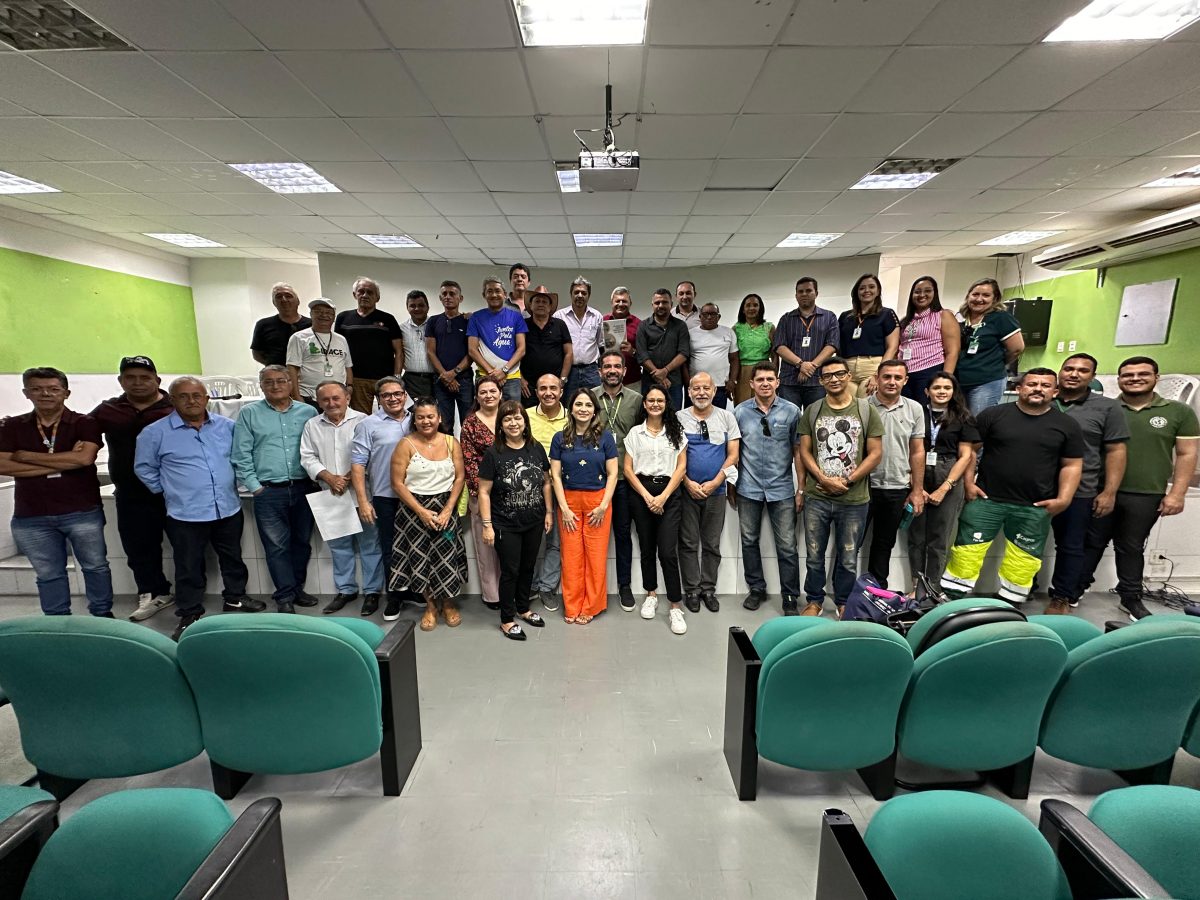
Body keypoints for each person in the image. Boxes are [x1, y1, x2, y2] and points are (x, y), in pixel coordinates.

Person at [135, 377, 264, 641]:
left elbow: (241, 457)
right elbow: (144, 468)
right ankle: (190, 611)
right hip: (185, 513)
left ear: (206, 398)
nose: (191, 401)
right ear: (172, 399)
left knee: (233, 558)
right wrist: (169, 490)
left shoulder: (228, 427)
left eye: (197, 395)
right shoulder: (154, 433)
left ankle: (235, 598)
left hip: (227, 508)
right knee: (188, 565)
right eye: (183, 396)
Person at [941, 368, 1084, 605]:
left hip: (1035, 506)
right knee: (966, 551)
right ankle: (951, 601)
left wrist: (1064, 499)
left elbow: (1072, 465)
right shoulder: (993, 415)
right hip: (985, 500)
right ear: (1019, 388)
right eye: (1032, 384)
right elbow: (970, 451)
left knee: (1023, 560)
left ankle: (1011, 605)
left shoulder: (1067, 425)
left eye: (1045, 385)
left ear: (1055, 391)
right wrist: (968, 483)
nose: (1038, 388)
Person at [1076, 356, 1198, 620]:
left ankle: (1131, 598)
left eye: (1142, 374)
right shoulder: (1104, 408)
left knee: (1130, 546)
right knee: (1091, 541)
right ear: (1119, 379)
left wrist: (1177, 494)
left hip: (1146, 492)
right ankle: (1075, 589)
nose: (1134, 379)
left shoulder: (1178, 412)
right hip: (1100, 489)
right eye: (1127, 375)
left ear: (1157, 377)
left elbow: (1187, 454)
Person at [0, 367, 113, 618]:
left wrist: (26, 457)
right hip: (31, 515)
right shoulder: (11, 426)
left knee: (95, 567)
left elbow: (84, 459)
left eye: (53, 389)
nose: (46, 394)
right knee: (48, 573)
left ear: (66, 393)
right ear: (26, 393)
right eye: (37, 389)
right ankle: (57, 621)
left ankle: (102, 616)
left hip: (81, 511)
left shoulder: (85, 423)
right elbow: (3, 465)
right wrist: (64, 460)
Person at [1042, 354, 1129, 616]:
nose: (1074, 374)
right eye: (1068, 368)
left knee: (1071, 545)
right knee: (1026, 542)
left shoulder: (1106, 408)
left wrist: (1109, 491)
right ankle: (1023, 587)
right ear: (1060, 372)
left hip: (1081, 489)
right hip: (1036, 486)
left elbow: (1116, 450)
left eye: (1083, 370)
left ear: (1093, 377)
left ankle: (1062, 596)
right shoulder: (1043, 400)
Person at [798, 357, 885, 616]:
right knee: (814, 554)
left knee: (848, 557)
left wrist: (846, 480)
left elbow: (875, 453)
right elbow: (804, 451)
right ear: (821, 380)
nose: (834, 379)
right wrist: (823, 479)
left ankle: (843, 601)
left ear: (848, 376)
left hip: (855, 499)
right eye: (828, 376)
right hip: (817, 497)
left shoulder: (867, 410)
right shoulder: (812, 411)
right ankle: (814, 600)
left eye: (839, 374)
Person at [90, 355, 174, 621]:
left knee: (188, 547)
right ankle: (152, 592)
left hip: (176, 491)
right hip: (131, 493)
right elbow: (79, 432)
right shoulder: (108, 410)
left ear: (157, 381)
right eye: (130, 377)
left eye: (145, 377)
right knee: (139, 548)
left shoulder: (176, 407)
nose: (138, 383)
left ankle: (190, 594)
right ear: (120, 381)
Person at [232, 365, 320, 613]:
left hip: (304, 488)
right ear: (261, 386)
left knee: (301, 543)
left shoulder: (308, 411)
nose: (275, 386)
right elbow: (241, 453)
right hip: (269, 492)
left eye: (281, 380)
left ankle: (296, 589)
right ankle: (284, 597)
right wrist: (255, 487)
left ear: (291, 383)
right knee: (276, 546)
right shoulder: (249, 413)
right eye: (268, 382)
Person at [300, 380, 384, 615]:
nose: (331, 403)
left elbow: (374, 454)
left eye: (336, 398)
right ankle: (346, 590)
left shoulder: (365, 421)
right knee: (340, 546)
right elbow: (307, 456)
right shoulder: (312, 425)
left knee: (370, 544)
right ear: (318, 401)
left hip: (362, 493)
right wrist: (328, 477)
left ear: (347, 397)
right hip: (331, 493)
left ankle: (372, 591)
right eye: (325, 399)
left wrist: (349, 476)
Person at [389, 399, 468, 632]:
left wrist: (448, 510)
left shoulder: (452, 442)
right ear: (415, 420)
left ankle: (448, 603)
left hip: (446, 509)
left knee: (446, 558)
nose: (426, 421)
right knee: (420, 559)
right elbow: (396, 483)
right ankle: (431, 605)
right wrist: (421, 512)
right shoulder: (405, 444)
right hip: (414, 511)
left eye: (430, 416)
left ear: (439, 418)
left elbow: (460, 478)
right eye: (421, 417)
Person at [478, 401, 553, 641]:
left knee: (528, 567)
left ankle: (524, 609)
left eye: (518, 418)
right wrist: (487, 525)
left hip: (534, 521)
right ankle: (507, 619)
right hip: (504, 525)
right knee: (510, 570)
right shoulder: (493, 453)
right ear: (500, 425)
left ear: (525, 422)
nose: (513, 423)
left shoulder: (536, 448)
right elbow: (483, 492)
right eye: (508, 419)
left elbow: (546, 482)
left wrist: (549, 512)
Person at [733, 362, 804, 613]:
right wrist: (732, 485)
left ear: (777, 382)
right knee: (749, 540)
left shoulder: (792, 412)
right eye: (760, 379)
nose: (765, 383)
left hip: (782, 488)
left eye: (769, 379)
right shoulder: (739, 413)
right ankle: (756, 589)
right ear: (751, 384)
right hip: (748, 488)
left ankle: (789, 596)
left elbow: (798, 452)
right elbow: (734, 453)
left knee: (786, 545)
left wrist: (801, 488)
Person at [550, 389, 618, 625]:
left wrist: (603, 505)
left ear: (594, 410)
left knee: (596, 557)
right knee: (571, 557)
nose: (583, 409)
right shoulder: (560, 438)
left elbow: (613, 474)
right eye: (578, 404)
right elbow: (555, 476)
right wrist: (564, 508)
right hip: (568, 502)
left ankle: (591, 605)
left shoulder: (606, 437)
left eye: (588, 405)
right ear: (571, 408)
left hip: (598, 502)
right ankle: (572, 606)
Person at [625, 386, 689, 635]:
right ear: (644, 404)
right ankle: (651, 594)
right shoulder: (635, 433)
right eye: (650, 400)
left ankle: (675, 605)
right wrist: (647, 496)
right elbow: (628, 469)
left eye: (659, 400)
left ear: (666, 403)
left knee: (668, 551)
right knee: (646, 548)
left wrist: (662, 497)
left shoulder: (676, 431)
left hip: (669, 494)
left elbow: (681, 468)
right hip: (641, 493)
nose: (654, 404)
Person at [907, 372, 978, 590]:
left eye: (947, 388)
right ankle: (917, 585)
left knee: (940, 537)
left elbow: (966, 456)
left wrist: (944, 488)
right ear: (927, 391)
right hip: (917, 470)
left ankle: (933, 587)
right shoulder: (916, 413)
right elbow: (908, 448)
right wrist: (915, 485)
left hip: (948, 471)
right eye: (937, 388)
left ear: (953, 392)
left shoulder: (963, 417)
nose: (941, 392)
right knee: (916, 535)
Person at [678, 372, 741, 614]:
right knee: (688, 543)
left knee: (712, 543)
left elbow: (733, 455)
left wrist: (716, 482)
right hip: (687, 491)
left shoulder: (727, 418)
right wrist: (687, 483)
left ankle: (708, 589)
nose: (701, 392)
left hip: (717, 491)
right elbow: (672, 455)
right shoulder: (678, 418)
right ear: (689, 391)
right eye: (696, 388)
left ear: (715, 391)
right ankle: (692, 590)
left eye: (706, 388)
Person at [350, 376, 413, 618]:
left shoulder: (416, 418)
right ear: (378, 399)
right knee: (390, 548)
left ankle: (415, 591)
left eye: (397, 393)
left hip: (418, 496)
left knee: (416, 546)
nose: (393, 398)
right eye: (386, 395)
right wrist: (364, 501)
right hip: (386, 497)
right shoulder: (368, 425)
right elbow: (357, 464)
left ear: (405, 395)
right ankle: (394, 596)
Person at [864, 360, 925, 590]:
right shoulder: (862, 406)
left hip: (896, 487)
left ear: (905, 380)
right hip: (863, 487)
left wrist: (917, 490)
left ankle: (877, 593)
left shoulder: (914, 409)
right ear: (877, 378)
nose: (892, 382)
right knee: (850, 544)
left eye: (897, 378)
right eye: (887, 376)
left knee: (883, 544)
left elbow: (918, 451)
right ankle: (846, 595)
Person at [593, 351, 642, 611]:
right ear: (600, 371)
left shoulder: (637, 400)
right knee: (593, 536)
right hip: (594, 480)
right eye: (607, 366)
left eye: (617, 366)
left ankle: (624, 586)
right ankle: (593, 586)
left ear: (624, 371)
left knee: (622, 534)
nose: (612, 370)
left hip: (624, 479)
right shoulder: (589, 397)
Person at [459, 379, 503, 613]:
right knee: (486, 546)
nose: (488, 395)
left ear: (500, 393)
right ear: (476, 396)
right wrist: (483, 490)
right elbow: (469, 461)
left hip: (512, 494)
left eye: (492, 391)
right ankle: (492, 595)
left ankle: (510, 590)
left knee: (509, 546)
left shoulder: (511, 416)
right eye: (483, 392)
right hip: (481, 492)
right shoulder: (470, 424)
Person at [529, 374, 569, 612]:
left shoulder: (571, 418)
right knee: (532, 540)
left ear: (561, 391)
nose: (548, 392)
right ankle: (531, 584)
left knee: (555, 541)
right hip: (532, 487)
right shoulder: (526, 415)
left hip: (563, 487)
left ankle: (547, 587)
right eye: (543, 388)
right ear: (536, 392)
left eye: (553, 388)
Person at [954, 278, 1024, 415]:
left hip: (987, 382)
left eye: (986, 295)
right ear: (968, 295)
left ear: (995, 298)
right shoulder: (960, 318)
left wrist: (995, 362)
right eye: (975, 294)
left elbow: (1016, 348)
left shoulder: (1001, 318)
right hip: (959, 382)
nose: (979, 299)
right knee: (959, 423)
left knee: (979, 422)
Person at [334, 276, 402, 414]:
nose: (365, 295)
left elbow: (399, 351)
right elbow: (338, 349)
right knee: (361, 418)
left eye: (370, 292)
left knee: (389, 416)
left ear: (377, 297)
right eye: (361, 291)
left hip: (384, 379)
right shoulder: (343, 318)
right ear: (355, 294)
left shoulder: (388, 319)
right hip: (357, 380)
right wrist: (348, 381)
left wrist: (396, 378)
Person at [772, 276, 840, 410]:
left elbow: (832, 345)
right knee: (788, 422)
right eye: (800, 291)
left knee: (815, 420)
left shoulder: (829, 317)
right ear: (796, 295)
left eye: (808, 290)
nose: (804, 294)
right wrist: (801, 364)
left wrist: (811, 366)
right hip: (789, 381)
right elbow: (779, 346)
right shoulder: (786, 319)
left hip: (817, 380)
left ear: (816, 293)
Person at [898, 276, 960, 404]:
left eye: (927, 291)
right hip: (906, 373)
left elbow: (953, 351)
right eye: (917, 291)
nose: (922, 295)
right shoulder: (906, 320)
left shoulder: (944, 315)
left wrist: (944, 379)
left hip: (929, 370)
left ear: (935, 293)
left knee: (926, 412)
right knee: (906, 412)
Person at [468, 276, 528, 403]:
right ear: (484, 295)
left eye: (497, 291)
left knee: (512, 416)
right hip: (485, 377)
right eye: (489, 291)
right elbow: (472, 350)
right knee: (485, 416)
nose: (494, 294)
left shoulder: (516, 317)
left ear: (505, 294)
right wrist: (492, 372)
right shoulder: (476, 318)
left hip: (511, 377)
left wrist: (504, 371)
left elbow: (521, 349)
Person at [838, 274, 899, 398]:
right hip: (848, 368)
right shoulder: (845, 317)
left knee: (866, 407)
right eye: (862, 288)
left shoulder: (886, 314)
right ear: (856, 292)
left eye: (871, 287)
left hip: (872, 368)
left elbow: (892, 347)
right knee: (847, 408)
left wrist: (879, 374)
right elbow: (839, 346)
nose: (867, 291)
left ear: (878, 291)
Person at [426, 280, 473, 434]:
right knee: (444, 425)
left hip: (464, 380)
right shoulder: (433, 321)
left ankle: (467, 457)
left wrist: (454, 373)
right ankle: (448, 456)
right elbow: (430, 351)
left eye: (452, 294)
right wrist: (445, 376)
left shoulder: (469, 321)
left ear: (461, 298)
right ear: (440, 298)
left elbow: (472, 352)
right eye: (444, 294)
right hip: (441, 381)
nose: (448, 297)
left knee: (468, 423)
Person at [288, 298, 353, 406]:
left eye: (328, 313)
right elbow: (292, 368)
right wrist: (296, 396)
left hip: (337, 397)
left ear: (334, 318)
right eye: (318, 312)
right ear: (311, 314)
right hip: (308, 397)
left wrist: (350, 387)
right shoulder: (299, 338)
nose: (323, 315)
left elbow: (347, 366)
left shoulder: (341, 339)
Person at [636, 288, 692, 409]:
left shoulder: (680, 326)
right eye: (657, 303)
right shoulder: (643, 326)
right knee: (650, 415)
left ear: (671, 304)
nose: (661, 305)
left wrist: (665, 371)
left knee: (674, 416)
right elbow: (642, 354)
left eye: (665, 302)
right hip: (649, 381)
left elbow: (684, 353)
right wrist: (658, 374)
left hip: (674, 383)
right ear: (652, 305)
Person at [521, 286, 572, 408]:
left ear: (550, 307)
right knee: (530, 420)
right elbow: (515, 352)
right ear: (531, 305)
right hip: (529, 386)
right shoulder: (522, 325)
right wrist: (520, 379)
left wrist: (563, 379)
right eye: (537, 301)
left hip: (555, 385)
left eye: (544, 302)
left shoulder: (560, 325)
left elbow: (569, 353)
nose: (541, 304)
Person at [555, 276, 604, 397]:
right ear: (571, 294)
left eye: (584, 293)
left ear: (589, 295)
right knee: (568, 403)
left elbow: (601, 344)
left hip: (591, 371)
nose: (580, 295)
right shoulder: (559, 316)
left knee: (595, 404)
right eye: (576, 292)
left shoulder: (596, 316)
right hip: (568, 371)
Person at [689, 303, 739, 409]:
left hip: (720, 386)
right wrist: (687, 382)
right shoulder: (690, 334)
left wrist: (732, 381)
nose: (709, 317)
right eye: (705, 314)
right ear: (700, 316)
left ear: (719, 317)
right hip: (696, 386)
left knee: (718, 419)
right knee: (694, 419)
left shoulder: (728, 332)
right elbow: (684, 361)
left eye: (713, 314)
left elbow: (734, 359)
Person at [251, 282, 310, 367]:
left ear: (298, 301)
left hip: (306, 374)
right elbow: (257, 353)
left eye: (288, 296)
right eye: (278, 297)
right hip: (278, 376)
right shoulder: (263, 325)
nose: (284, 300)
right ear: (274, 303)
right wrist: (275, 367)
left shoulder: (312, 324)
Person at [732, 293, 775, 405]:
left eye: (755, 305)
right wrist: (732, 379)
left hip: (764, 370)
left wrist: (774, 374)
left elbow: (775, 355)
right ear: (743, 309)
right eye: (748, 305)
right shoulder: (736, 328)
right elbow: (733, 357)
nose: (752, 308)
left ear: (760, 308)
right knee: (743, 406)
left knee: (765, 405)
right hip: (743, 372)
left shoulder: (769, 327)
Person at [603, 286, 642, 392]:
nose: (620, 304)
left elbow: (645, 354)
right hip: (607, 380)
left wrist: (633, 352)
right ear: (612, 303)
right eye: (617, 301)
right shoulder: (602, 321)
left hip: (632, 381)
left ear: (630, 303)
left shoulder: (639, 324)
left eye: (624, 301)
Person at [399, 289, 435, 401]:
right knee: (412, 414)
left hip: (435, 379)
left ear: (427, 307)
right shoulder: (401, 329)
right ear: (407, 308)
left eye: (421, 305)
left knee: (437, 415)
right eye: (412, 306)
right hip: (411, 380)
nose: (417, 309)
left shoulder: (436, 326)